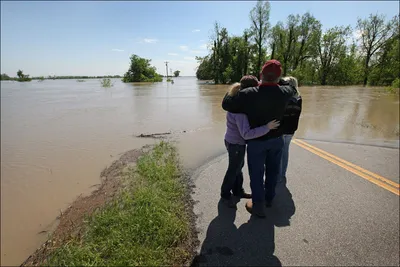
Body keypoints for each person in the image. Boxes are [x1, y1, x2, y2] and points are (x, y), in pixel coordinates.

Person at [222, 60, 297, 218]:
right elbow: (292, 87)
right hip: (276, 140)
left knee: (256, 174)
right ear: (279, 77)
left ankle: (258, 206)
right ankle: (269, 199)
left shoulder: (248, 94)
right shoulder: (285, 92)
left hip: (256, 142)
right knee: (273, 171)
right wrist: (279, 80)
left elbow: (226, 104)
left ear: (261, 75)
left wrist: (233, 89)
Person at [221, 75, 280, 208]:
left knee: (238, 168)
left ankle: (238, 191)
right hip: (236, 143)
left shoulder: (235, 100)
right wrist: (267, 127)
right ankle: (225, 195)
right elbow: (246, 134)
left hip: (232, 141)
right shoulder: (240, 111)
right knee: (233, 170)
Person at [277, 76, 302, 183]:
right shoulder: (298, 98)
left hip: (281, 129)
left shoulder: (283, 97)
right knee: (285, 150)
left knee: (277, 152)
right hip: (291, 129)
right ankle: (282, 174)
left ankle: (277, 174)